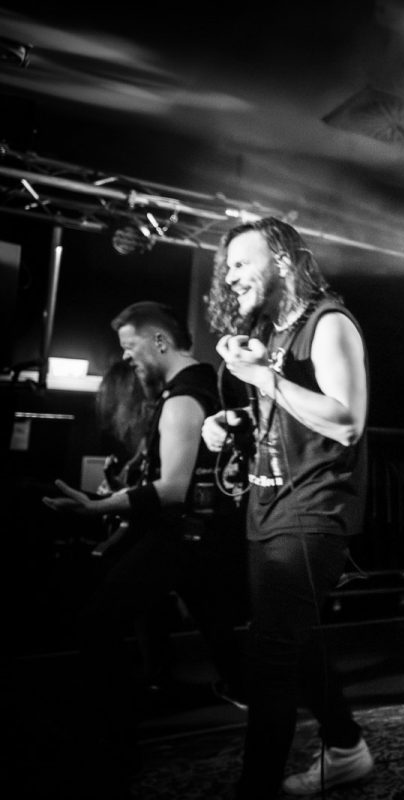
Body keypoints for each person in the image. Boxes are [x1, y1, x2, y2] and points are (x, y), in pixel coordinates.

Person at [42, 302, 248, 798]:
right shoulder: (197, 388)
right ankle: (216, 693)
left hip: (184, 536)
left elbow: (173, 488)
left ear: (159, 341)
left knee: (98, 623)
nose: (126, 358)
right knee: (210, 629)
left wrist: (97, 507)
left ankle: (113, 746)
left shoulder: (185, 397)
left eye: (130, 346)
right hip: (198, 537)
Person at [201, 217, 373, 798]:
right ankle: (346, 747)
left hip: (313, 510)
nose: (230, 277)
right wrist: (232, 421)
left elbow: (346, 422)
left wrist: (262, 378)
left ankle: (256, 788)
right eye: (227, 267)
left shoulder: (328, 323)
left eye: (240, 263)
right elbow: (286, 414)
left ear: (280, 260)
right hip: (267, 506)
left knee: (271, 656)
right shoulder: (271, 333)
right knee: (293, 642)